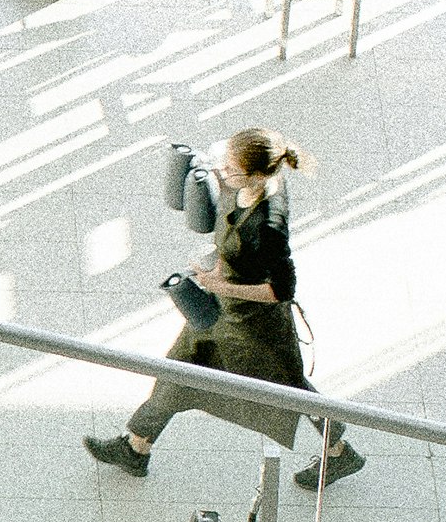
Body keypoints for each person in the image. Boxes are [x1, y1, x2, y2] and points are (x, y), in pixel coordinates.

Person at [88, 128, 360, 489]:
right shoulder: (249, 182)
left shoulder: (269, 225)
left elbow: (282, 290)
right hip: (221, 314)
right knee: (179, 370)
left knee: (289, 390)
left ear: (256, 174)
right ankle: (137, 446)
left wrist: (221, 285)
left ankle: (340, 451)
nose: (224, 171)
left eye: (231, 169)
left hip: (254, 328)